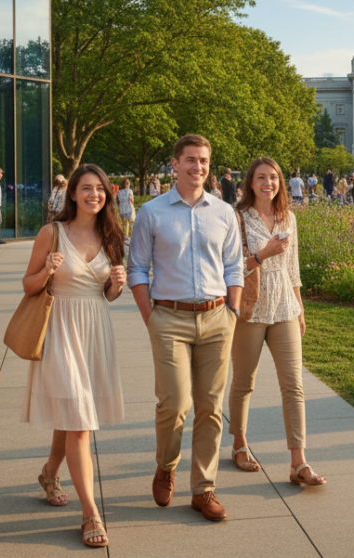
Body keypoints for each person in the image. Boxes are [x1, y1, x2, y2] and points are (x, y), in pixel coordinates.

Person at [128, 134, 242, 522]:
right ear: (175, 164)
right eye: (190, 160)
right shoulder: (152, 212)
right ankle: (166, 465)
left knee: (211, 408)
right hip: (169, 319)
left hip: (216, 318)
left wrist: (233, 312)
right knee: (174, 404)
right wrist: (150, 316)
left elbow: (234, 267)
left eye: (204, 160)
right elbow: (137, 268)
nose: (198, 167)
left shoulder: (224, 212)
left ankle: (204, 489)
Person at [21, 165, 127, 547]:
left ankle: (50, 473)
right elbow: (28, 284)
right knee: (80, 421)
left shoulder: (112, 235)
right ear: (72, 194)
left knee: (72, 415)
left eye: (100, 189)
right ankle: (90, 513)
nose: (93, 195)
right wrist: (47, 270)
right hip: (60, 330)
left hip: (94, 330)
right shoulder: (52, 233)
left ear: (107, 195)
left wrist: (117, 286)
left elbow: (108, 296)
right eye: (86, 188)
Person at [229, 157, 325, 488]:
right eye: (261, 177)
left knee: (294, 386)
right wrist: (263, 254)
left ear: (281, 182)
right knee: (244, 382)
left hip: (284, 307)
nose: (268, 183)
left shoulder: (289, 218)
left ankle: (298, 461)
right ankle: (239, 444)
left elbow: (293, 267)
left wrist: (300, 307)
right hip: (252, 310)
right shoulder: (237, 219)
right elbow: (231, 270)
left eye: (273, 177)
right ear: (250, 183)